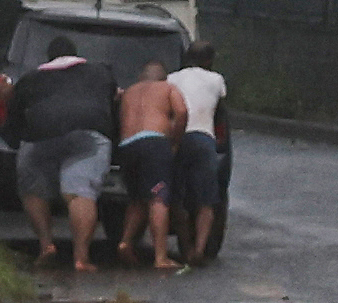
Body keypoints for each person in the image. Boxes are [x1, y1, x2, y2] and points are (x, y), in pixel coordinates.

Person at [12, 43, 116, 264]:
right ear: (76, 54)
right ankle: (81, 258)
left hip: (40, 136)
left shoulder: (30, 79)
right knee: (79, 191)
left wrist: (15, 140)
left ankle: (46, 245)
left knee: (33, 189)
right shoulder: (100, 72)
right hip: (87, 135)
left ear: (48, 57)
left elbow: (14, 118)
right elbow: (111, 102)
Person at [108, 51, 185, 269]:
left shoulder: (128, 92)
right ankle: (160, 257)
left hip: (127, 146)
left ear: (141, 76)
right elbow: (182, 112)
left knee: (137, 199)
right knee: (158, 198)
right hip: (154, 143)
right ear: (164, 76)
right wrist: (174, 141)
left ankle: (125, 242)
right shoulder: (168, 88)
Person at [163, 41, 231, 267]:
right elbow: (219, 113)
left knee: (177, 197)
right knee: (207, 201)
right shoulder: (217, 80)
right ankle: (200, 250)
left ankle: (186, 249)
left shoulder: (171, 78)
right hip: (203, 140)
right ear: (209, 60)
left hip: (177, 138)